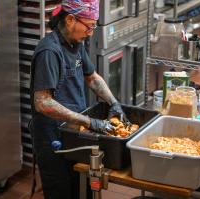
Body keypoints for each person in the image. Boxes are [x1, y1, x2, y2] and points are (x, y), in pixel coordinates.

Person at [30, 0, 127, 198]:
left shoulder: (76, 43)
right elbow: (43, 102)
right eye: (89, 26)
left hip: (74, 130)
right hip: (53, 135)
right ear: (70, 19)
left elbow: (92, 77)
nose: (90, 32)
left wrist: (113, 102)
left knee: (83, 185)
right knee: (62, 190)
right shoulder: (49, 51)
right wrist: (90, 122)